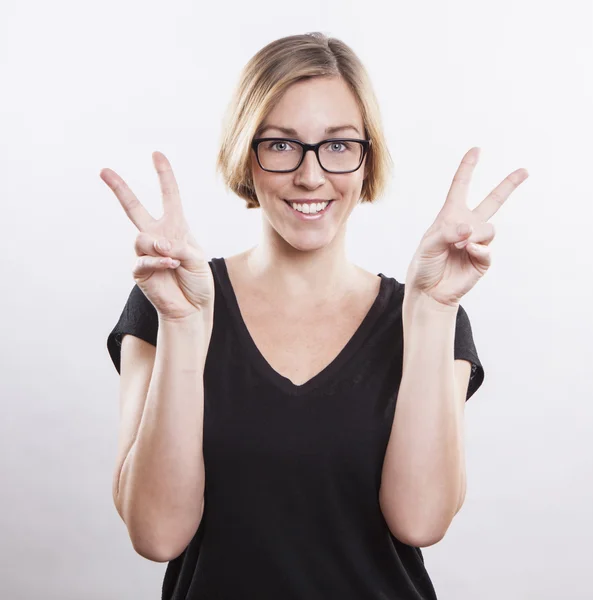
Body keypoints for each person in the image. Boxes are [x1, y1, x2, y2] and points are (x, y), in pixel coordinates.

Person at [102, 31, 526, 600]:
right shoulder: (170, 302)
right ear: (245, 155)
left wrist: (432, 310)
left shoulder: (425, 311)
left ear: (365, 158)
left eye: (338, 145)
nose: (310, 175)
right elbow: (156, 535)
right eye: (280, 145)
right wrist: (183, 325)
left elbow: (420, 522)